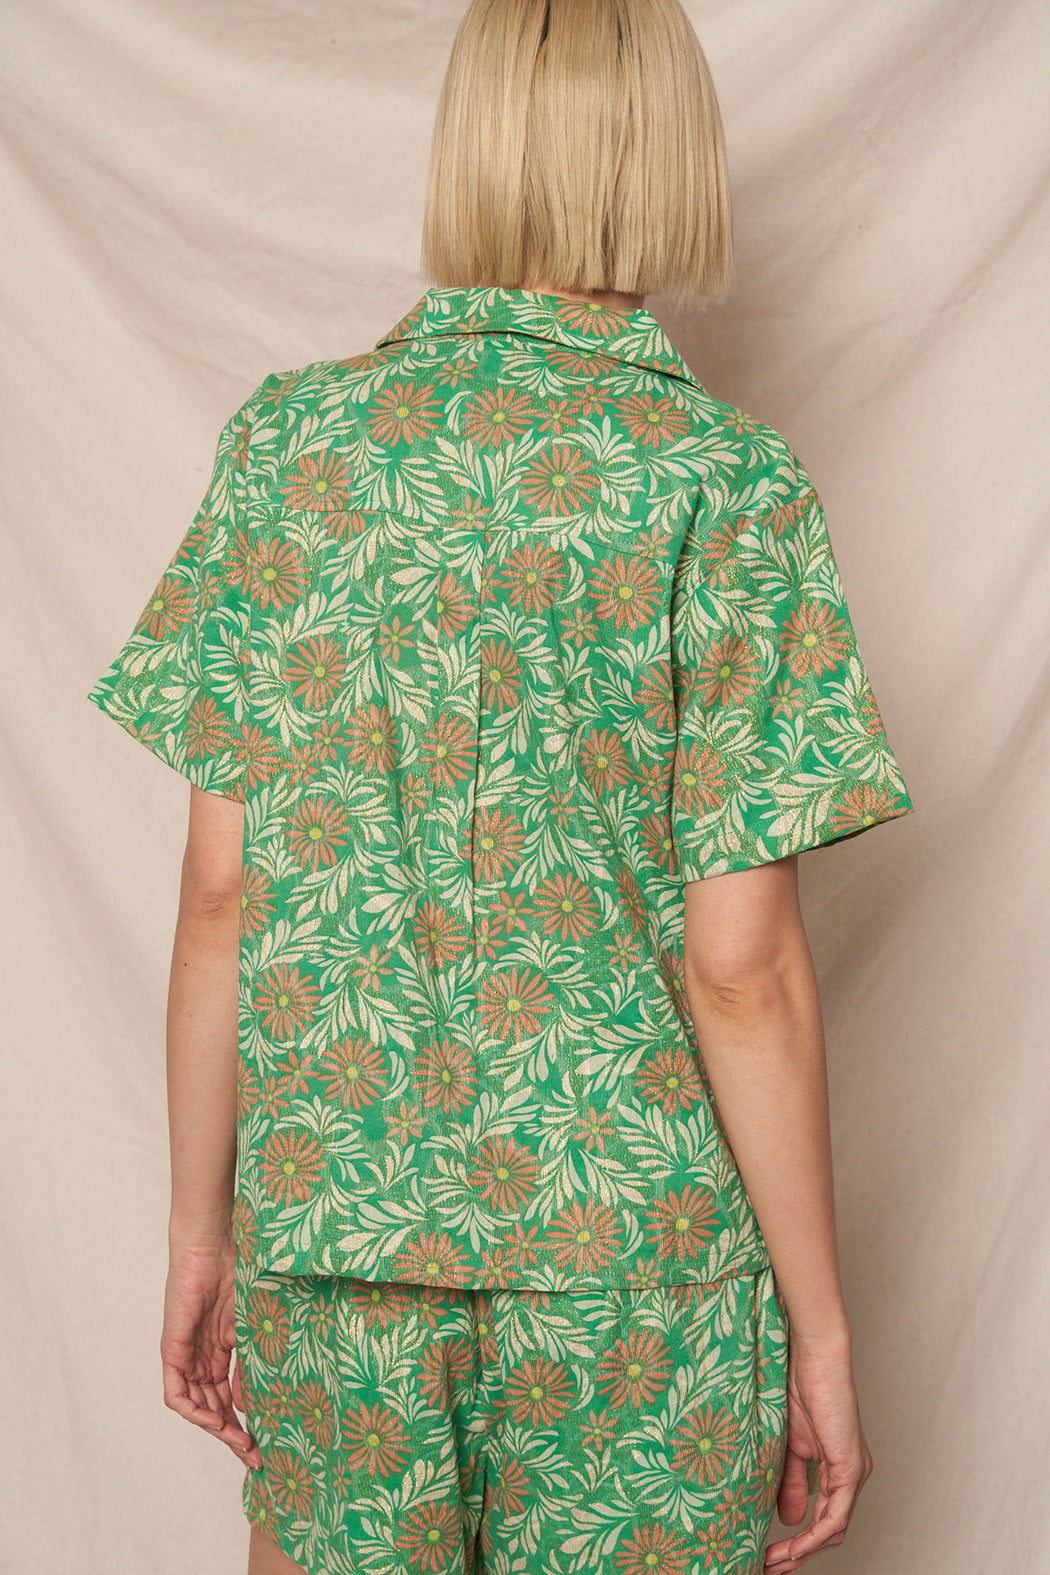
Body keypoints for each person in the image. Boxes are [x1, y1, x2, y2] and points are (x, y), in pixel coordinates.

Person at [86, 2, 915, 1571]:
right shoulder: (724, 482)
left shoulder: (291, 452)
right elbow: (740, 971)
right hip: (637, 1261)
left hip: (339, 1236)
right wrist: (819, 1330)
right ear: (672, 159)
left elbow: (221, 893)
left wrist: (200, 1234)